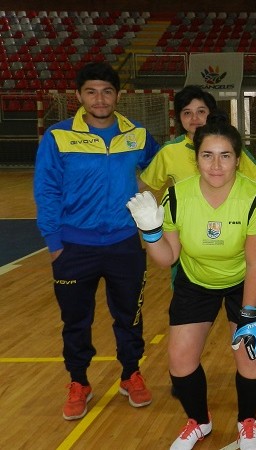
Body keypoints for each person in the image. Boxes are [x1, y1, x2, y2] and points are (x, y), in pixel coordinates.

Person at [126, 117, 256, 450]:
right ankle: (199, 421)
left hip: (243, 279)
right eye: (207, 155)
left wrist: (249, 317)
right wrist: (150, 232)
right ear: (197, 159)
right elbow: (168, 258)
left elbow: (255, 264)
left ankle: (247, 421)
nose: (216, 164)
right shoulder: (177, 197)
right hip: (196, 278)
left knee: (250, 357)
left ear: (238, 159)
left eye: (225, 155)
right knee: (180, 360)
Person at [33, 61, 160, 421]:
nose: (100, 98)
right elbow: (46, 190)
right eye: (91, 91)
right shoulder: (58, 136)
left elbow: (161, 167)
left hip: (123, 244)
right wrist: (55, 242)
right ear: (78, 95)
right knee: (76, 320)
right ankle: (79, 382)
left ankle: (130, 374)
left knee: (129, 316)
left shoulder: (136, 135)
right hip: (73, 247)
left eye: (107, 91)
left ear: (118, 95)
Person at [139, 86, 256, 390]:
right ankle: (189, 384)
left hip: (238, 260)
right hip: (191, 255)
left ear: (234, 159)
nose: (216, 164)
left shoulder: (241, 173)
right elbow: (147, 185)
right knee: (183, 354)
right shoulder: (172, 166)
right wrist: (149, 226)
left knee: (248, 350)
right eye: (187, 112)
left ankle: (252, 375)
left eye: (201, 111)